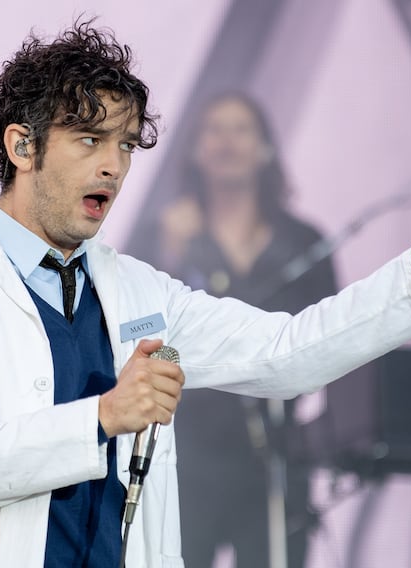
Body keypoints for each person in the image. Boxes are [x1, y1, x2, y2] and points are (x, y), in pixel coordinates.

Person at [0, 20, 411, 568]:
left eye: (127, 146)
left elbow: (287, 351)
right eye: (89, 139)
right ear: (22, 145)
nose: (113, 165)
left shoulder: (135, 288)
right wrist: (102, 417)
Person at [153, 92, 338, 567]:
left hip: (275, 457)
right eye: (214, 129)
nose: (227, 142)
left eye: (241, 129)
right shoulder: (169, 237)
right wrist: (171, 255)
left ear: (266, 148)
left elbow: (330, 340)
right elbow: (141, 334)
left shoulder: (304, 242)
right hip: (188, 451)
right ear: (195, 150)